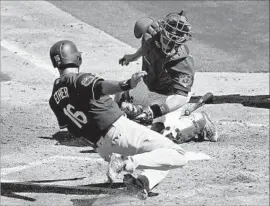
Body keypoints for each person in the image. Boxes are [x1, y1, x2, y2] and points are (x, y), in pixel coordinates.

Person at [48, 40, 216, 200]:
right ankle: (126, 162)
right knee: (178, 155)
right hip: (120, 132)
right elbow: (103, 87)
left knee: (160, 157)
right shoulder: (78, 79)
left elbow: (75, 131)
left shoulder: (54, 99)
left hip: (103, 148)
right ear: (76, 58)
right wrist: (128, 84)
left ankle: (142, 182)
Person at [116, 10, 218, 143]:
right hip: (147, 86)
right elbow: (147, 47)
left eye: (174, 42)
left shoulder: (183, 62)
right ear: (162, 30)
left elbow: (180, 97)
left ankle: (199, 122)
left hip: (169, 96)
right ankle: (148, 122)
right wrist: (133, 56)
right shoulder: (151, 34)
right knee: (120, 95)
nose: (169, 44)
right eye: (167, 38)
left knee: (167, 137)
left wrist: (156, 111)